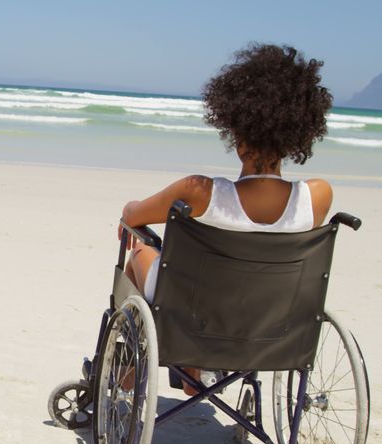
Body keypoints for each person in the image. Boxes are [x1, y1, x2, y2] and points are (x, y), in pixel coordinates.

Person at [120, 43, 335, 395]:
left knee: (140, 253)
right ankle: (191, 371)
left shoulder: (201, 193)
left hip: (196, 315)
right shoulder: (318, 195)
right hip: (270, 318)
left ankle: (131, 374)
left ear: (236, 135)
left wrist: (127, 212)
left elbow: (135, 214)